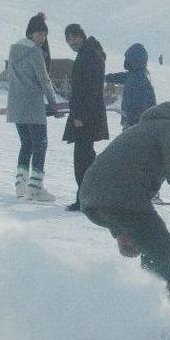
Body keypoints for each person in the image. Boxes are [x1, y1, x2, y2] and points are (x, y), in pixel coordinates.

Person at [80, 98, 170, 313]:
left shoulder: (146, 127)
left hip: (92, 200)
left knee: (153, 255)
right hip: (124, 200)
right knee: (169, 256)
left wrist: (118, 231)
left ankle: (149, 315)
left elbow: (111, 175)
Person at [6, 12, 60, 202]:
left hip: (15, 104)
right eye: (39, 34)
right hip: (32, 104)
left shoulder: (14, 49)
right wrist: (53, 103)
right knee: (40, 144)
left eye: (44, 35)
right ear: (30, 33)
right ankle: (35, 187)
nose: (42, 38)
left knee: (26, 144)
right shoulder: (35, 52)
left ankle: (21, 185)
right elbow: (44, 80)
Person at [62, 24, 109, 212]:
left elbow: (88, 88)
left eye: (72, 38)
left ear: (81, 37)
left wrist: (80, 115)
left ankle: (85, 198)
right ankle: (88, 196)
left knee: (82, 158)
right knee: (85, 156)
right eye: (67, 40)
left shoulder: (89, 55)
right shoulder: (90, 52)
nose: (70, 43)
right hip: (89, 114)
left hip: (86, 116)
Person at [105, 43, 156, 130]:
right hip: (134, 124)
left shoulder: (139, 80)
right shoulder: (134, 74)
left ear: (135, 60)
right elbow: (119, 77)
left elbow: (139, 106)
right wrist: (106, 78)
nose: (125, 62)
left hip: (137, 126)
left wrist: (132, 123)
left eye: (127, 59)